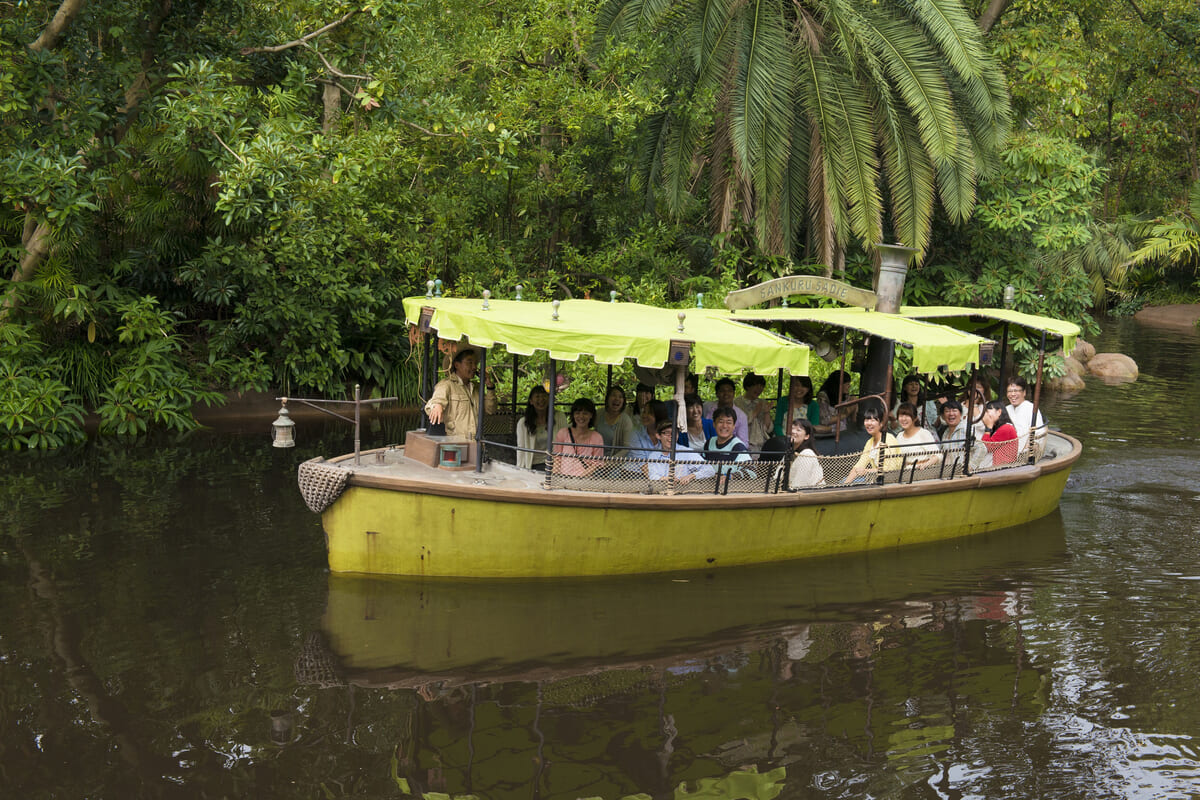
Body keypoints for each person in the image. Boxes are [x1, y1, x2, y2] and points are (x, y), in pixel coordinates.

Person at [425, 347, 497, 437]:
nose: (474, 367)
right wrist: (437, 406)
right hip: (455, 444)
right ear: (457, 365)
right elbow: (433, 404)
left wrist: (490, 386)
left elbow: (491, 410)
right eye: (469, 363)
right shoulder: (447, 385)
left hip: (476, 442)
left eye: (475, 363)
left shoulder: (476, 387)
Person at [644, 421, 715, 484]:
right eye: (666, 433)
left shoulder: (686, 452)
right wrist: (665, 479)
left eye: (674, 433)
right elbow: (652, 475)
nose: (671, 436)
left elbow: (710, 470)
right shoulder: (654, 455)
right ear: (658, 436)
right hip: (661, 494)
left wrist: (691, 476)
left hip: (683, 493)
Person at [515, 386, 567, 470]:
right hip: (533, 464)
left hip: (555, 464)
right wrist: (520, 470)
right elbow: (521, 448)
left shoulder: (559, 417)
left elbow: (566, 442)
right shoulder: (523, 423)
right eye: (537, 396)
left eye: (544, 396)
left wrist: (563, 466)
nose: (541, 399)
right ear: (531, 401)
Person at [844, 408, 900, 484]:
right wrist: (845, 485)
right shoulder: (869, 442)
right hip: (876, 480)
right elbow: (860, 465)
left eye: (873, 420)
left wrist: (866, 471)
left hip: (892, 480)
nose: (869, 423)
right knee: (843, 480)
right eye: (867, 420)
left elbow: (890, 469)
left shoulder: (889, 439)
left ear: (881, 423)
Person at [552, 398, 605, 477]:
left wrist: (579, 479)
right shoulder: (563, 433)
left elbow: (596, 464)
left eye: (585, 413)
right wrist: (556, 477)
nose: (581, 416)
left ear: (591, 415)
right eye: (577, 413)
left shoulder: (597, 438)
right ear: (573, 415)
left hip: (585, 481)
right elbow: (557, 458)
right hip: (562, 479)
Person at [1004, 376, 1045, 458]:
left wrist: (1027, 450)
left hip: (1024, 454)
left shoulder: (1031, 409)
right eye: (1010, 391)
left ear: (1024, 392)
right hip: (1005, 452)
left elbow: (1039, 433)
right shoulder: (1006, 409)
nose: (1012, 394)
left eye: (1016, 391)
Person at [702, 406, 752, 471]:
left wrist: (731, 476)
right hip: (709, 480)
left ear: (734, 426)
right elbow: (701, 466)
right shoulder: (709, 443)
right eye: (721, 422)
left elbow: (751, 471)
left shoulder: (738, 447)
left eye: (729, 422)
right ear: (714, 424)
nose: (724, 426)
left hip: (731, 481)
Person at [893, 402, 941, 470]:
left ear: (915, 418)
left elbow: (937, 456)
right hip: (906, 473)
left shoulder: (923, 433)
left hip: (923, 472)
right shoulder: (899, 436)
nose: (904, 419)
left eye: (907, 416)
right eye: (901, 416)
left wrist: (925, 465)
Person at [703, 377, 749, 445]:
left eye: (729, 391)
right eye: (722, 391)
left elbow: (744, 442)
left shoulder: (741, 416)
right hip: (707, 446)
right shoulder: (707, 407)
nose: (726, 393)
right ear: (717, 393)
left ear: (734, 394)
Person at [734, 373, 774, 450]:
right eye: (756, 385)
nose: (759, 389)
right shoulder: (737, 402)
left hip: (761, 443)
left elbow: (768, 429)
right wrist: (755, 412)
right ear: (748, 386)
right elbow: (737, 424)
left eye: (762, 386)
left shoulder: (763, 402)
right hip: (742, 441)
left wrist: (766, 413)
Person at [787, 418, 826, 489]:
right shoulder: (790, 452)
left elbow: (799, 484)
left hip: (810, 495)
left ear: (806, 436)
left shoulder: (807, 454)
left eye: (798, 430)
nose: (793, 431)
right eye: (792, 428)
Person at [595, 386, 633, 456]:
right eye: (613, 395)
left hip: (614, 463)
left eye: (620, 397)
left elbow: (627, 448)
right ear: (607, 398)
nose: (617, 399)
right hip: (595, 459)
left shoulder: (625, 420)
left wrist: (610, 462)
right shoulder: (599, 414)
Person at [980, 400, 1018, 465]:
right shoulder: (999, 428)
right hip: (1000, 467)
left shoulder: (1006, 428)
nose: (985, 415)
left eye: (987, 411)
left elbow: (987, 447)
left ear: (999, 412)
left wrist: (988, 427)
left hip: (1004, 468)